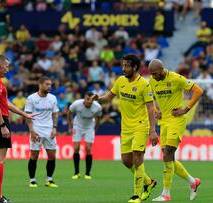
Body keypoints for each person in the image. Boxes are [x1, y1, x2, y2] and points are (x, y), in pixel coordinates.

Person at [90, 54, 159, 203]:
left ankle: (136, 195)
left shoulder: (144, 84)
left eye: (126, 66)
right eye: (122, 65)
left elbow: (150, 108)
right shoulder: (121, 80)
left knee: (137, 157)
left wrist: (153, 131)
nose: (123, 69)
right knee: (126, 161)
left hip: (141, 125)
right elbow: (108, 97)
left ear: (134, 67)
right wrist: (98, 98)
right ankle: (149, 182)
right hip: (126, 127)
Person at [0, 54, 35, 203]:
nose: (8, 69)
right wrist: (3, 125)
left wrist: (24, 114)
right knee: (0, 159)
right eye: (6, 66)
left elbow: (5, 103)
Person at [148, 59, 203, 201]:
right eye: (151, 74)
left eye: (155, 73)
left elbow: (198, 90)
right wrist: (155, 110)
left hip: (176, 120)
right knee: (169, 158)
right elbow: (149, 97)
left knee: (167, 155)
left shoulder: (177, 78)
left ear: (161, 69)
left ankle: (166, 194)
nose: (153, 76)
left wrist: (186, 109)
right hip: (163, 122)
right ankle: (193, 182)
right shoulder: (153, 81)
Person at [24, 77, 59, 188]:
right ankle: (32, 180)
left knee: (52, 156)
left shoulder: (53, 98)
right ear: (40, 85)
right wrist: (31, 130)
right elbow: (28, 116)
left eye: (50, 84)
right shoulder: (31, 98)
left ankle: (49, 180)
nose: (49, 86)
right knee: (34, 155)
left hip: (49, 130)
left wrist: (54, 128)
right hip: (37, 130)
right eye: (47, 84)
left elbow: (55, 114)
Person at [68, 92, 102, 180]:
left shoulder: (97, 107)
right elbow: (69, 113)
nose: (89, 101)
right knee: (76, 148)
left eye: (91, 99)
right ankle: (76, 172)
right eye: (87, 99)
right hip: (77, 126)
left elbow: (99, 117)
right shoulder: (76, 104)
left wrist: (95, 128)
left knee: (88, 149)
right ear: (84, 98)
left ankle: (87, 173)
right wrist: (70, 125)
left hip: (90, 127)